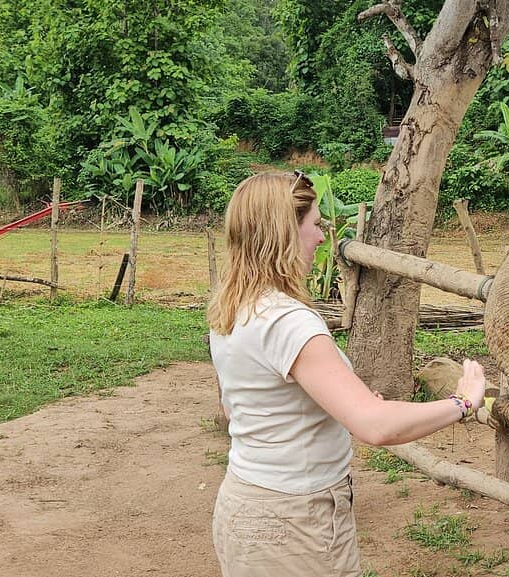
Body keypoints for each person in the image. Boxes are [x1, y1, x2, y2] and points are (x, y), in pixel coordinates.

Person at [206, 171, 486, 577]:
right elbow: (376, 428)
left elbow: (250, 406)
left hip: (246, 505)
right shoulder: (289, 321)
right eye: (315, 224)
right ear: (283, 233)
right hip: (296, 522)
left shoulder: (233, 308)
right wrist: (462, 402)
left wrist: (340, 403)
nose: (322, 237)